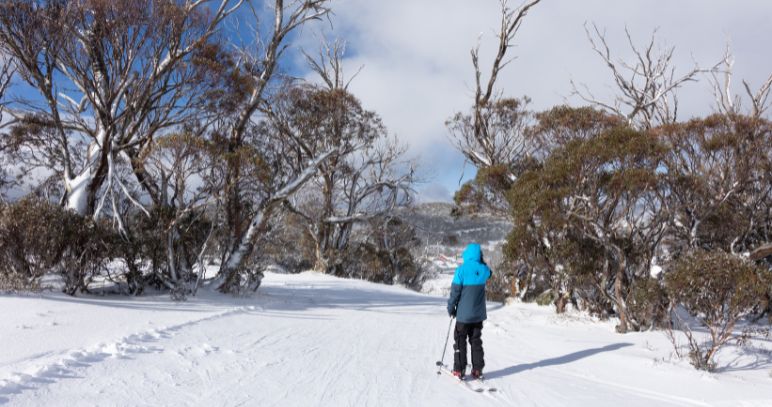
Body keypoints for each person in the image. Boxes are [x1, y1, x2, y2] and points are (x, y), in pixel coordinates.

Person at [447, 243, 491, 380]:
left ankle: (459, 370)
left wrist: (451, 308)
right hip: (478, 316)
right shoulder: (484, 270)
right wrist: (481, 262)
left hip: (463, 316)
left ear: (466, 254)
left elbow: (455, 293)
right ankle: (477, 369)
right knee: (476, 340)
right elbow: (490, 273)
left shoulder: (461, 270)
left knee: (460, 340)